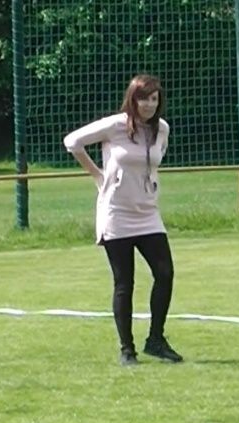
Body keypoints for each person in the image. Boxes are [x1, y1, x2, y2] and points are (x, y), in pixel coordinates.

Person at [64, 74, 183, 366]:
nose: (149, 104)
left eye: (154, 99)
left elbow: (154, 161)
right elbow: (73, 142)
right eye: (144, 98)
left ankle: (156, 339)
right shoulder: (116, 125)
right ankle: (126, 349)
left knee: (164, 273)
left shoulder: (161, 129)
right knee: (124, 283)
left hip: (147, 213)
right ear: (133, 99)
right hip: (116, 213)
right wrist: (97, 175)